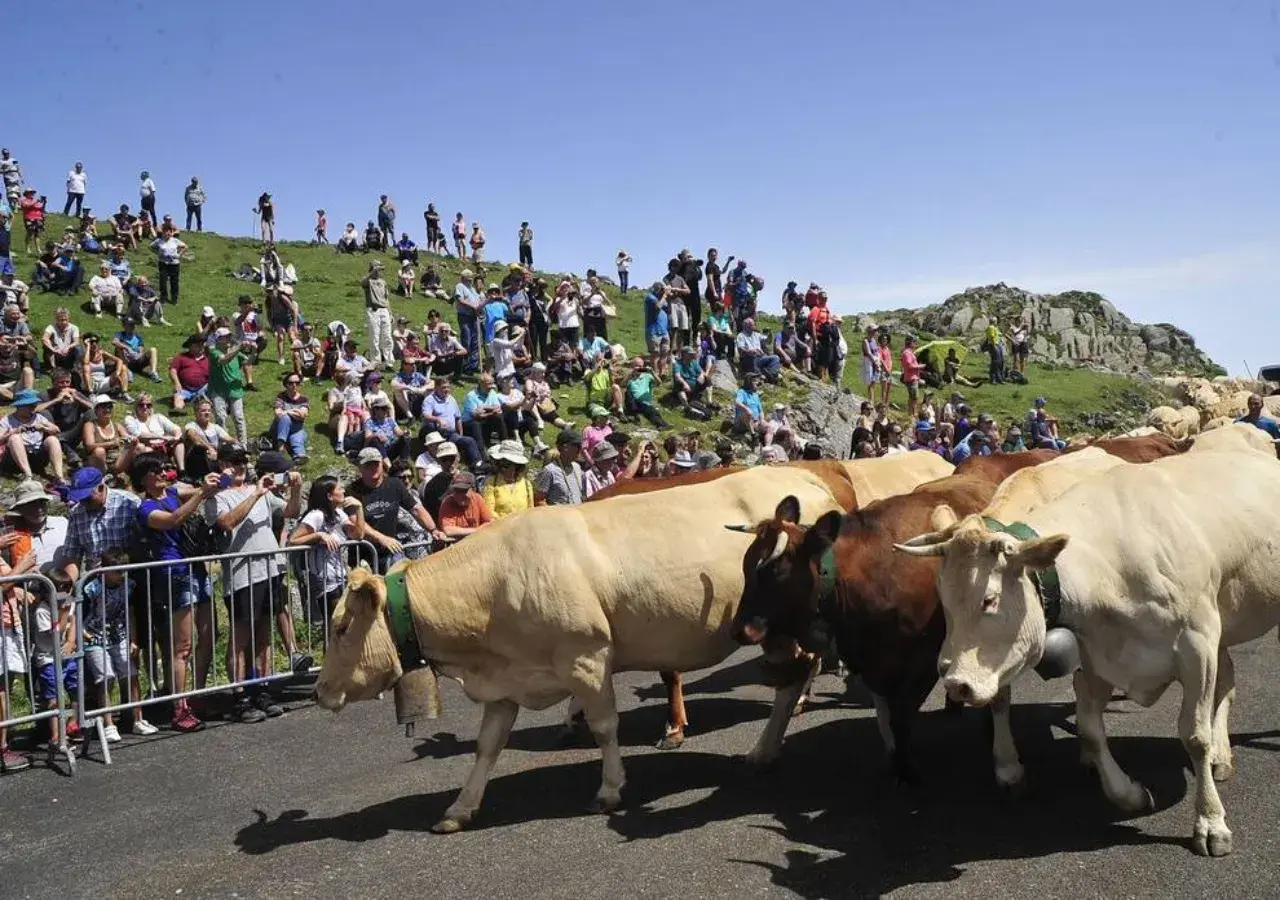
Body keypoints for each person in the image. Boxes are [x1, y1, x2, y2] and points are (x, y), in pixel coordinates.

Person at [204, 444, 298, 723]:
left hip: (268, 570)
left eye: (243, 460)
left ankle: (263, 689)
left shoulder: (263, 493)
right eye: (234, 461)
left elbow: (291, 512)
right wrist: (256, 493)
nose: (240, 465)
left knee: (264, 636)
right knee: (240, 638)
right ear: (221, 464)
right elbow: (227, 523)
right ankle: (239, 695)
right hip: (242, 575)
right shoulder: (217, 497)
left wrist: (294, 488)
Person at [131, 454, 221, 732]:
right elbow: (173, 519)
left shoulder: (172, 491)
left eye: (162, 469)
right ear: (143, 478)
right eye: (154, 471)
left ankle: (198, 693)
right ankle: (179, 708)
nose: (161, 474)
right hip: (174, 574)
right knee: (182, 645)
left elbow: (198, 491)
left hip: (195, 568)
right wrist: (202, 494)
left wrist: (218, 478)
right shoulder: (145, 508)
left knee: (209, 635)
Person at [348, 448, 445, 567]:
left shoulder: (395, 484)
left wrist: (433, 530)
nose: (373, 467)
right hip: (363, 554)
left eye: (376, 463)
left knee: (401, 574)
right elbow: (355, 520)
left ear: (382, 464)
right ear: (360, 467)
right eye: (368, 465)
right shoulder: (352, 490)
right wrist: (381, 538)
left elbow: (416, 509)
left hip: (390, 551)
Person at [288, 475, 364, 625]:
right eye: (339, 488)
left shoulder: (338, 514)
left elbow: (358, 534)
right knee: (335, 626)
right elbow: (292, 541)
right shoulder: (316, 515)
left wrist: (359, 508)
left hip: (340, 576)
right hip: (325, 580)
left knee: (344, 625)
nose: (343, 491)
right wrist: (319, 535)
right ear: (329, 496)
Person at [0, 389, 65, 481]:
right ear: (20, 406)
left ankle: (59, 477)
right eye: (30, 406)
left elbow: (56, 430)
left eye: (34, 405)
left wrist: (44, 428)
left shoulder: (38, 417)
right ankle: (28, 475)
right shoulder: (7, 420)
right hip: (14, 459)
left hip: (37, 455)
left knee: (52, 440)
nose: (33, 408)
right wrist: (12, 432)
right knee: (14, 438)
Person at [124, 393, 185, 473]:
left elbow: (175, 428)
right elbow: (138, 435)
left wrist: (176, 436)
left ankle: (182, 471)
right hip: (147, 448)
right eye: (141, 405)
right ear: (136, 406)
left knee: (179, 444)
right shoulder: (130, 419)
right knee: (145, 449)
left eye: (148, 405)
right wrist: (162, 437)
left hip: (163, 446)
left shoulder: (158, 417)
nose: (145, 407)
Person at [208, 328, 249, 444]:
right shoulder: (214, 352)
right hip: (218, 390)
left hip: (235, 389)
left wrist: (254, 351)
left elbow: (248, 362)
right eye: (224, 337)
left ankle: (243, 445)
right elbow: (223, 360)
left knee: (239, 418)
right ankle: (223, 444)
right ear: (218, 340)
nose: (227, 339)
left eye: (228, 336)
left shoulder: (235, 352)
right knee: (221, 418)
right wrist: (239, 348)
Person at [480, 441, 534, 518]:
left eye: (506, 464)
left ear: (517, 466)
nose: (502, 467)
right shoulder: (491, 482)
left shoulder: (526, 484)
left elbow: (530, 510)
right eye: (501, 463)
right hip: (500, 526)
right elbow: (489, 512)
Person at [182, 398, 231, 478]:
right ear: (196, 413)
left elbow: (228, 438)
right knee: (199, 448)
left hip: (214, 460)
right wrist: (210, 448)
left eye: (209, 410)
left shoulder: (215, 427)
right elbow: (195, 438)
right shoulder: (191, 426)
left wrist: (237, 444)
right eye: (203, 411)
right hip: (197, 463)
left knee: (229, 448)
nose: (207, 413)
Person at [534, 430, 586, 506]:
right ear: (565, 447)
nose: (580, 449)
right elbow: (539, 500)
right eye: (577, 445)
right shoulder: (549, 471)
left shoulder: (577, 467)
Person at [437, 471, 492, 540]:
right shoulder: (448, 502)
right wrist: (477, 530)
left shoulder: (477, 499)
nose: (460, 495)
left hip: (476, 541)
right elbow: (448, 530)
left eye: (464, 491)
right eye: (457, 490)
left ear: (473, 490)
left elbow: (489, 522)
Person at [461, 372, 507, 453]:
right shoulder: (471, 396)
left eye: (493, 383)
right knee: (476, 423)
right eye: (489, 384)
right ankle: (481, 452)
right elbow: (476, 416)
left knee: (499, 417)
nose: (492, 386)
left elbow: (498, 408)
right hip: (469, 424)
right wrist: (491, 412)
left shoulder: (492, 392)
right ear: (481, 383)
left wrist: (483, 407)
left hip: (484, 420)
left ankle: (505, 443)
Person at [113, 316, 163, 382]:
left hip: (136, 360)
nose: (132, 326)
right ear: (124, 326)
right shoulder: (120, 334)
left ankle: (153, 372)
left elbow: (141, 349)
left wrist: (138, 354)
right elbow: (114, 342)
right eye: (129, 325)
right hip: (125, 361)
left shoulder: (137, 336)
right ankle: (127, 370)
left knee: (153, 350)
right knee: (118, 348)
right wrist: (127, 348)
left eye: (133, 324)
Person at [272, 373, 310, 461]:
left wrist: (286, 411)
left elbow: (303, 415)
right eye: (291, 383)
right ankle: (280, 447)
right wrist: (293, 412)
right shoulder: (281, 396)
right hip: (279, 428)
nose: (294, 385)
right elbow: (278, 413)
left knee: (297, 437)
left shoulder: (304, 399)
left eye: (297, 382)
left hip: (296, 428)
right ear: (286, 384)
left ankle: (299, 456)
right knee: (285, 418)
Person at [623, 356, 668, 428]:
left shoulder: (647, 376)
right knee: (628, 392)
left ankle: (662, 425)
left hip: (645, 403)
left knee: (651, 411)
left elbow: (659, 383)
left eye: (641, 366)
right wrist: (631, 373)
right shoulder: (630, 377)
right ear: (633, 366)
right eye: (637, 366)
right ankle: (662, 425)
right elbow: (622, 385)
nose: (639, 368)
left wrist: (652, 372)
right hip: (633, 403)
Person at [168, 334, 209, 412]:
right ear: (190, 346)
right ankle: (178, 408)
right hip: (184, 389)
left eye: (202, 344)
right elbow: (173, 370)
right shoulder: (181, 357)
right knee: (178, 394)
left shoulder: (207, 359)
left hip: (202, 389)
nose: (201, 346)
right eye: (198, 345)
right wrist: (176, 383)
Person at [732, 376, 765, 441]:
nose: (757, 383)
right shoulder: (742, 392)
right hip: (741, 423)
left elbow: (761, 411)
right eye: (755, 381)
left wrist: (762, 420)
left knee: (769, 427)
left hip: (755, 421)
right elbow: (737, 402)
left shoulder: (755, 395)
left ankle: (767, 446)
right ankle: (753, 434)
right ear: (749, 382)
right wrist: (747, 409)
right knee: (748, 413)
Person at [900, 335, 925, 419]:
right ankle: (912, 413)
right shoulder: (907, 353)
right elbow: (909, 366)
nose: (915, 343)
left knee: (913, 396)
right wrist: (919, 366)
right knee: (914, 397)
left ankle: (910, 413)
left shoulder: (910, 352)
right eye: (914, 342)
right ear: (909, 343)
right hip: (911, 378)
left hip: (913, 377)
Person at [983, 315, 1004, 384]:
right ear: (994, 321)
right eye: (996, 321)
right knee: (995, 362)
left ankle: (998, 378)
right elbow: (992, 337)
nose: (997, 322)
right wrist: (994, 345)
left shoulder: (994, 327)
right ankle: (993, 378)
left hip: (995, 345)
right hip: (993, 345)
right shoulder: (991, 327)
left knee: (998, 362)